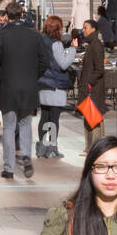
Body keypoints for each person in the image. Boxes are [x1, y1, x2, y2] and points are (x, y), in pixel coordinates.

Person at [0, 1, 49, 181]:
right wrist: (33, 75)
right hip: (29, 87)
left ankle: (9, 168)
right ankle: (26, 157)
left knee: (8, 128)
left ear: (7, 16)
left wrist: (3, 76)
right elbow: (44, 62)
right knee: (25, 125)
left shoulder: (0, 36)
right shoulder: (35, 36)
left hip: (9, 87)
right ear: (22, 14)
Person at [36, 15, 76, 159]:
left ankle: (41, 147)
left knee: (44, 117)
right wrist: (72, 50)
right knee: (54, 119)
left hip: (43, 83)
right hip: (56, 84)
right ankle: (52, 148)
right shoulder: (56, 44)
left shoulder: (40, 41)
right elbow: (63, 64)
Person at [77, 20, 107, 152]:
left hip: (93, 89)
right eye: (83, 28)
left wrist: (90, 82)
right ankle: (89, 148)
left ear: (93, 29)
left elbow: (99, 69)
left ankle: (95, 148)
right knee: (88, 118)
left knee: (94, 119)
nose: (83, 30)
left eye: (86, 28)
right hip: (89, 88)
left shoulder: (96, 45)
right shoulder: (91, 44)